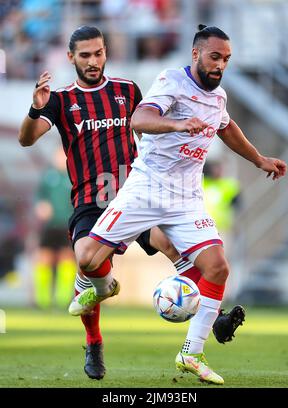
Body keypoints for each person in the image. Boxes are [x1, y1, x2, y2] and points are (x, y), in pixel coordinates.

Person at [18, 26, 244, 382]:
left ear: (106, 52)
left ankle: (211, 320)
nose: (93, 62)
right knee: (88, 261)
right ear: (71, 58)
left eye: (99, 53)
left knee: (174, 247)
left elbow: (148, 128)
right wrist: (35, 109)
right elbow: (27, 140)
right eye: (85, 55)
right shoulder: (60, 100)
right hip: (91, 201)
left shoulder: (126, 90)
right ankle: (94, 342)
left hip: (137, 194)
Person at [68, 24, 287, 384]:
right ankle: (104, 287)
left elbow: (227, 128)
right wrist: (178, 125)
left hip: (186, 198)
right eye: (215, 57)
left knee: (217, 267)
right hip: (147, 187)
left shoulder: (219, 98)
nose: (220, 65)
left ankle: (192, 353)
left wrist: (259, 159)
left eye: (227, 60)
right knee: (88, 258)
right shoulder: (172, 80)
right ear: (196, 54)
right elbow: (139, 118)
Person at [33, 146, 76, 309]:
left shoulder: (74, 177)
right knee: (44, 258)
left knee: (66, 258)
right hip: (50, 225)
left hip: (67, 224)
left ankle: (62, 300)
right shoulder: (48, 176)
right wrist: (40, 206)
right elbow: (40, 196)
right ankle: (42, 300)